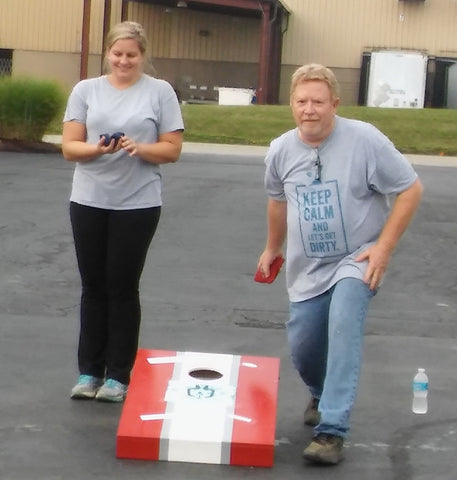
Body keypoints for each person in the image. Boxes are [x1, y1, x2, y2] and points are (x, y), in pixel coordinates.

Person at [257, 64, 423, 465]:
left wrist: (383, 247)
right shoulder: (281, 150)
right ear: (291, 105)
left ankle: (331, 431)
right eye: (301, 101)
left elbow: (410, 189)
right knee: (304, 346)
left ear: (335, 104)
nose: (309, 109)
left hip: (357, 257)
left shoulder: (364, 140)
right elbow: (277, 201)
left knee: (344, 324)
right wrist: (272, 246)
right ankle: (321, 390)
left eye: (317, 101)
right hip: (306, 266)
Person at [62, 21, 184, 402]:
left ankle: (117, 375)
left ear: (142, 56)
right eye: (117, 54)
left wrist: (139, 148)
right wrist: (99, 149)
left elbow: (172, 149)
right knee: (93, 286)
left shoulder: (160, 92)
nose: (123, 61)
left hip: (137, 203)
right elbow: (69, 147)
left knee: (122, 286)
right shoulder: (86, 90)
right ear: (108, 54)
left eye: (131, 55)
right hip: (89, 200)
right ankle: (88, 372)